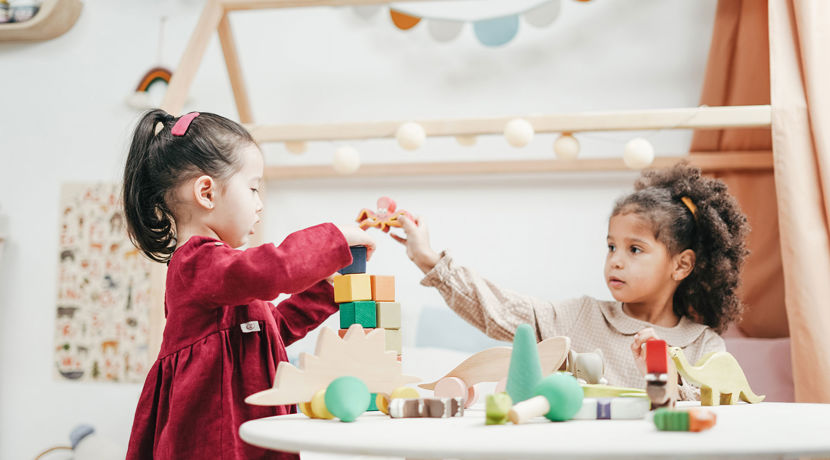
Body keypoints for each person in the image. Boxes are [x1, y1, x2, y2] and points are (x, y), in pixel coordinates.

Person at [122, 109, 375, 459]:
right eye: (253, 188)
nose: (259, 205)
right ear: (207, 193)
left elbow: (274, 328)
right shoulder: (198, 264)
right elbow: (273, 271)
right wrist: (332, 241)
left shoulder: (224, 276)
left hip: (250, 433)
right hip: (214, 440)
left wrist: (328, 288)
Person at [392, 163, 749, 399]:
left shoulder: (703, 346)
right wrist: (428, 259)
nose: (616, 260)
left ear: (681, 265)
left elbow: (713, 419)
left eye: (635, 249)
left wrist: (662, 375)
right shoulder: (578, 318)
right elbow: (496, 309)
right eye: (611, 247)